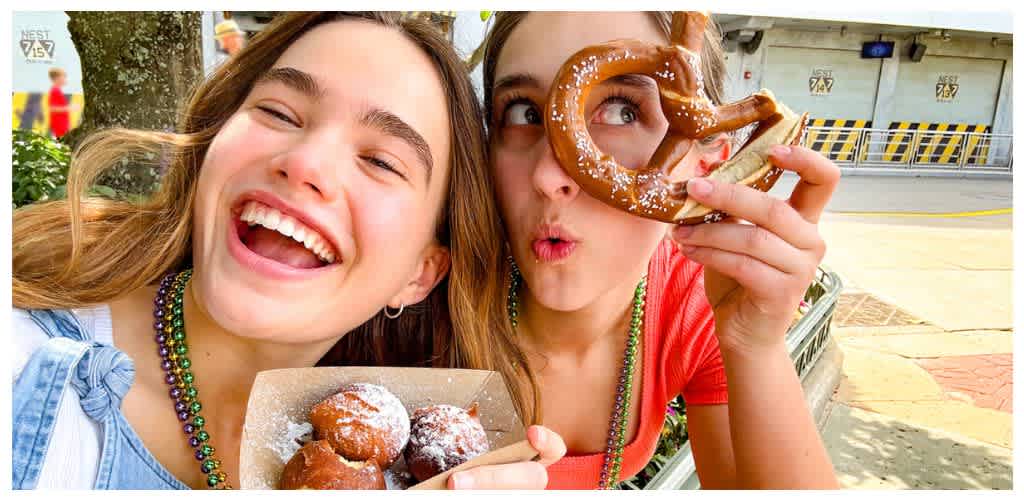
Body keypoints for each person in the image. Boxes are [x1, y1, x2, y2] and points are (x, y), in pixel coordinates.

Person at [12, 12, 562, 490]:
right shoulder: (24, 367)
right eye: (279, 112)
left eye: (381, 161)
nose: (306, 164)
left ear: (419, 275)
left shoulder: (391, 453)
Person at [479, 11, 841, 489]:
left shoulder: (702, 300)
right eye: (523, 112)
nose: (549, 177)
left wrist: (756, 347)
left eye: (622, 112)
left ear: (705, 165)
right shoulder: (419, 287)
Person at [46, 67, 75, 139]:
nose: (65, 79)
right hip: (59, 127)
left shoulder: (57, 91)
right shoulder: (55, 91)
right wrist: (69, 108)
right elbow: (52, 108)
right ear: (57, 78)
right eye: (64, 76)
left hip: (62, 126)